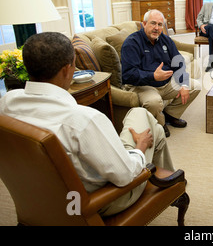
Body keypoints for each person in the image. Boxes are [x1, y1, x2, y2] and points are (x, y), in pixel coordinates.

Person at [0, 32, 174, 216]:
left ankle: (166, 173)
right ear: (68, 70)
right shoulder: (83, 120)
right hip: (100, 200)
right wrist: (139, 147)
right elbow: (125, 176)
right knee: (142, 117)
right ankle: (168, 178)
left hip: (39, 195)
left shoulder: (7, 102)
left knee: (151, 125)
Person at [121, 9, 200, 137]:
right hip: (143, 86)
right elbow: (128, 74)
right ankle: (160, 123)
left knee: (194, 86)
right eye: (153, 23)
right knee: (153, 102)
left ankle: (171, 115)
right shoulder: (132, 43)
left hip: (166, 84)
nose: (156, 28)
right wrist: (153, 76)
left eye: (160, 24)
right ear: (144, 24)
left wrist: (184, 84)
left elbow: (179, 62)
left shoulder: (165, 40)